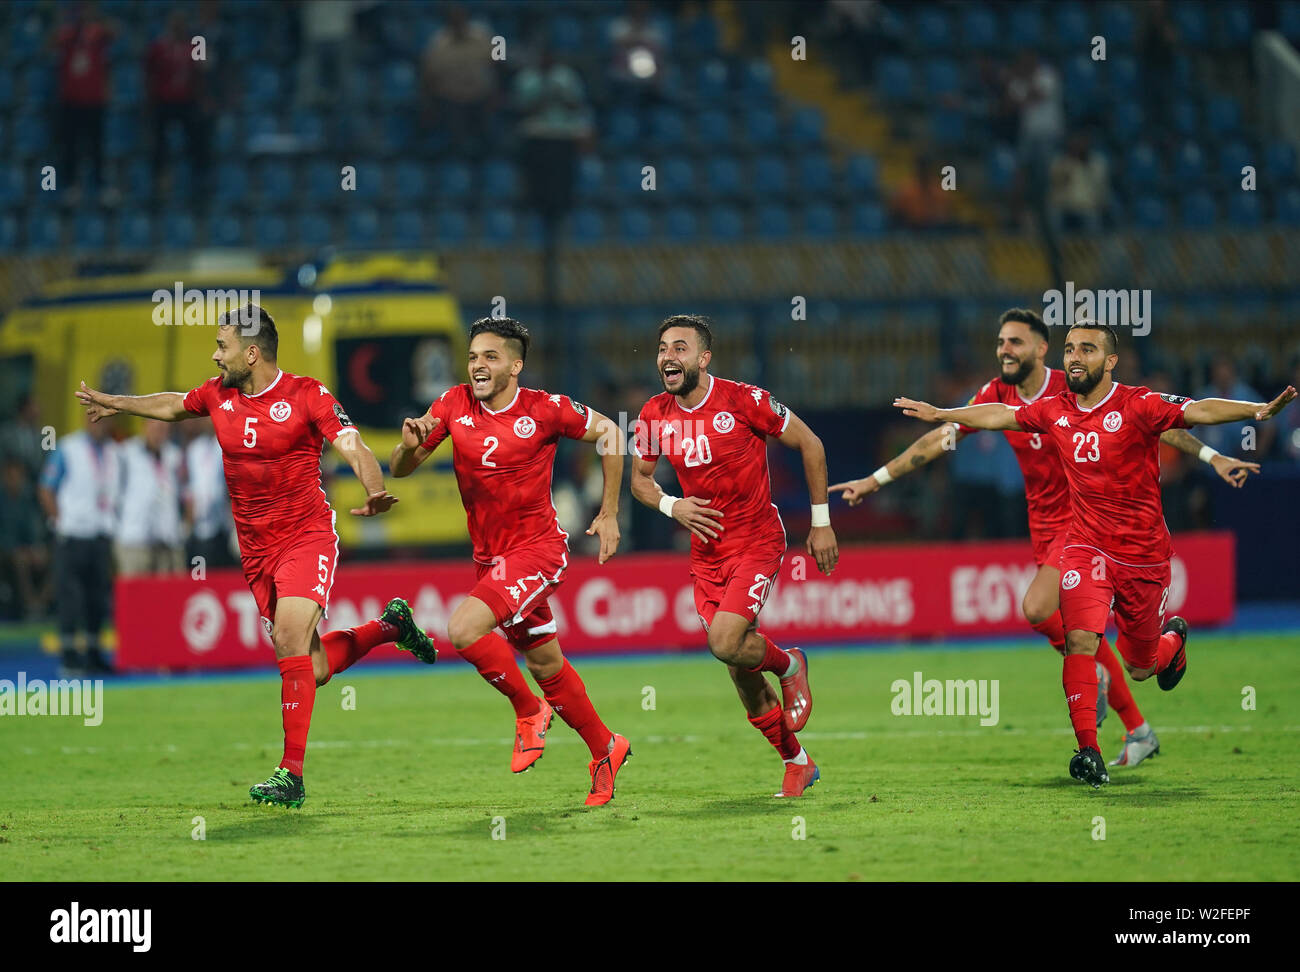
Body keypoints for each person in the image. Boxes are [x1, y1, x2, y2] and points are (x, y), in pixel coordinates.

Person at [833, 309, 1259, 768]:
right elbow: (940, 440)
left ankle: (1100, 692)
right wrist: (875, 480)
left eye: (1015, 342)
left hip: (1085, 523)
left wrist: (1213, 456)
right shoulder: (996, 395)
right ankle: (1136, 726)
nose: (1004, 350)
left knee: (1041, 610)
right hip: (1044, 525)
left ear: (1040, 349)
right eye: (999, 343)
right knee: (1099, 645)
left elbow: (1162, 423)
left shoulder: (1074, 385)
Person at [75, 303, 435, 809]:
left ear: (251, 351)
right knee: (313, 667)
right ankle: (392, 627)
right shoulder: (218, 394)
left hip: (306, 536)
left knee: (288, 639)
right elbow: (174, 404)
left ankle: (291, 774)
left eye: (222, 346)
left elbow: (352, 445)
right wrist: (118, 402)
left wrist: (373, 489)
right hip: (256, 551)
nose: (215, 355)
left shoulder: (307, 394)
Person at [391, 318, 630, 806]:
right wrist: (408, 446)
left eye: (491, 357)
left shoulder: (544, 409)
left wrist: (608, 512)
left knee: (462, 630)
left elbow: (610, 431)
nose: (478, 366)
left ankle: (528, 712)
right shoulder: (452, 403)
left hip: (538, 552)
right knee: (545, 662)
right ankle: (606, 747)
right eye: (474, 357)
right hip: (490, 560)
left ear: (515, 366)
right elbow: (402, 468)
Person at [629, 314, 838, 798]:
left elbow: (811, 443)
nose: (667, 357)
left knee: (725, 641)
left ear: (703, 358)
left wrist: (822, 522)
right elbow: (640, 480)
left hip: (756, 541)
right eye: (662, 349)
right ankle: (797, 761)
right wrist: (671, 504)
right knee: (741, 673)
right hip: (706, 556)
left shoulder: (744, 400)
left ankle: (790, 666)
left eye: (679, 348)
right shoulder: (653, 414)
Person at [37, 410, 120, 674]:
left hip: (99, 535)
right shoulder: (68, 448)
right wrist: (60, 522)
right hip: (71, 536)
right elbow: (46, 488)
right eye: (95, 419)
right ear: (86, 420)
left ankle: (94, 656)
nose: (100, 425)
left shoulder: (114, 453)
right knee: (70, 600)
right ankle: (70, 657)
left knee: (97, 600)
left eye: (105, 420)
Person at [114, 419, 186, 577]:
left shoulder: (174, 456)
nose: (159, 433)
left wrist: (184, 527)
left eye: (164, 429)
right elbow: (114, 493)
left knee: (167, 595)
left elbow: (184, 494)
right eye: (155, 428)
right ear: (144, 427)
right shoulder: (126, 453)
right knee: (136, 594)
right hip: (134, 538)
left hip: (167, 539)